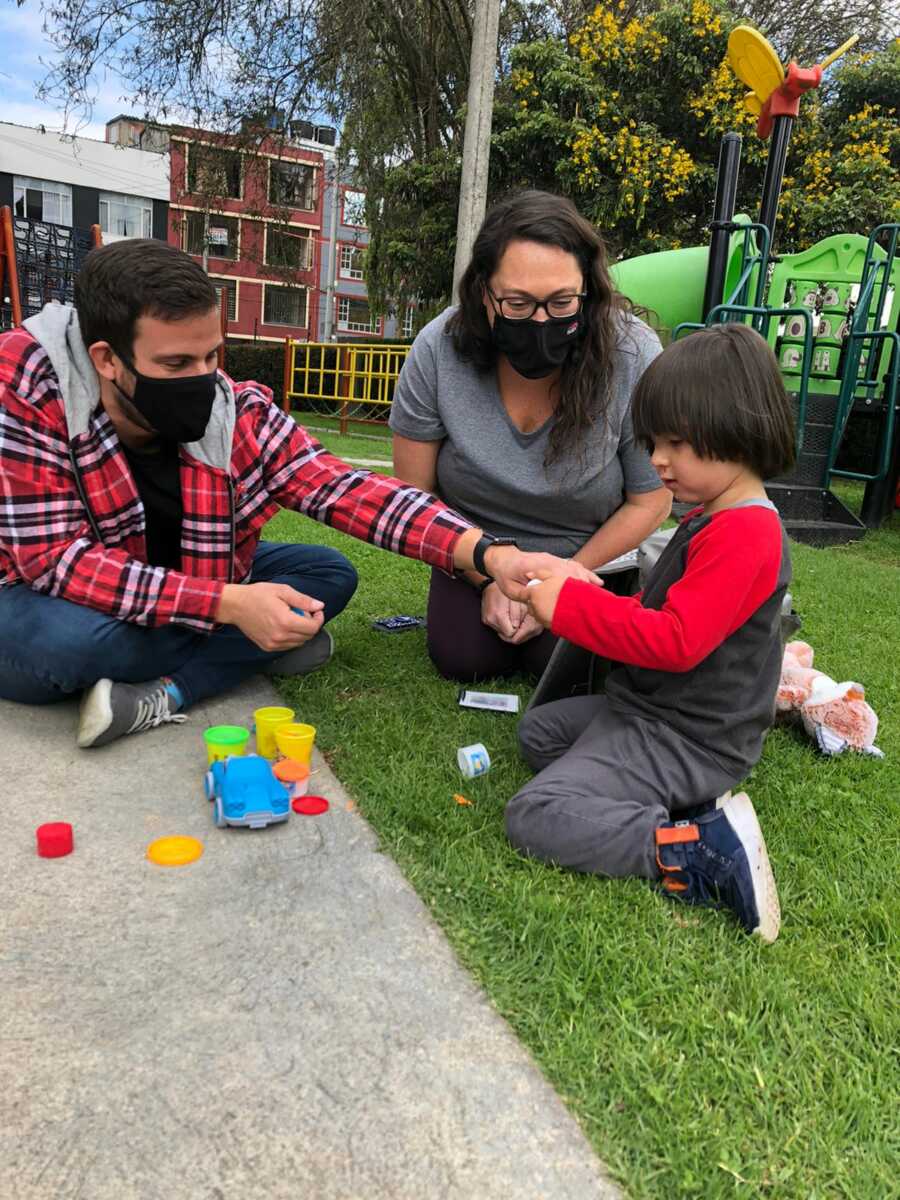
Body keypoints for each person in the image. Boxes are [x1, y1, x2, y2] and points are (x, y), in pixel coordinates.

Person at [0, 239, 586, 749]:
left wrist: (490, 554)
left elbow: (346, 488)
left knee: (326, 576)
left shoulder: (233, 409)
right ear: (107, 360)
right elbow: (54, 562)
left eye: (211, 356)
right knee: (71, 644)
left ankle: (168, 690)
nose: (204, 379)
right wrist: (228, 607)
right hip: (37, 593)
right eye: (176, 362)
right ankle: (232, 653)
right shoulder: (29, 386)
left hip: (175, 574)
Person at [507, 324, 797, 942]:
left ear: (735, 430)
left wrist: (570, 613)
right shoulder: (713, 516)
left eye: (675, 443)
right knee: (540, 734)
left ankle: (697, 852)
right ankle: (669, 799)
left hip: (689, 736)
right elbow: (663, 605)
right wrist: (583, 590)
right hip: (651, 713)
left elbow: (676, 639)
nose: (657, 459)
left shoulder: (747, 533)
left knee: (537, 812)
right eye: (652, 442)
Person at [390, 190, 671, 682]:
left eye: (562, 302)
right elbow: (416, 497)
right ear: (483, 293)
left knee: (564, 667)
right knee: (465, 659)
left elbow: (650, 501)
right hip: (471, 550)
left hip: (587, 561)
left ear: (589, 289)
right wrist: (488, 574)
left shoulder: (633, 354)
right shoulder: (438, 349)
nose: (542, 321)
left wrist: (562, 580)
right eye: (518, 303)